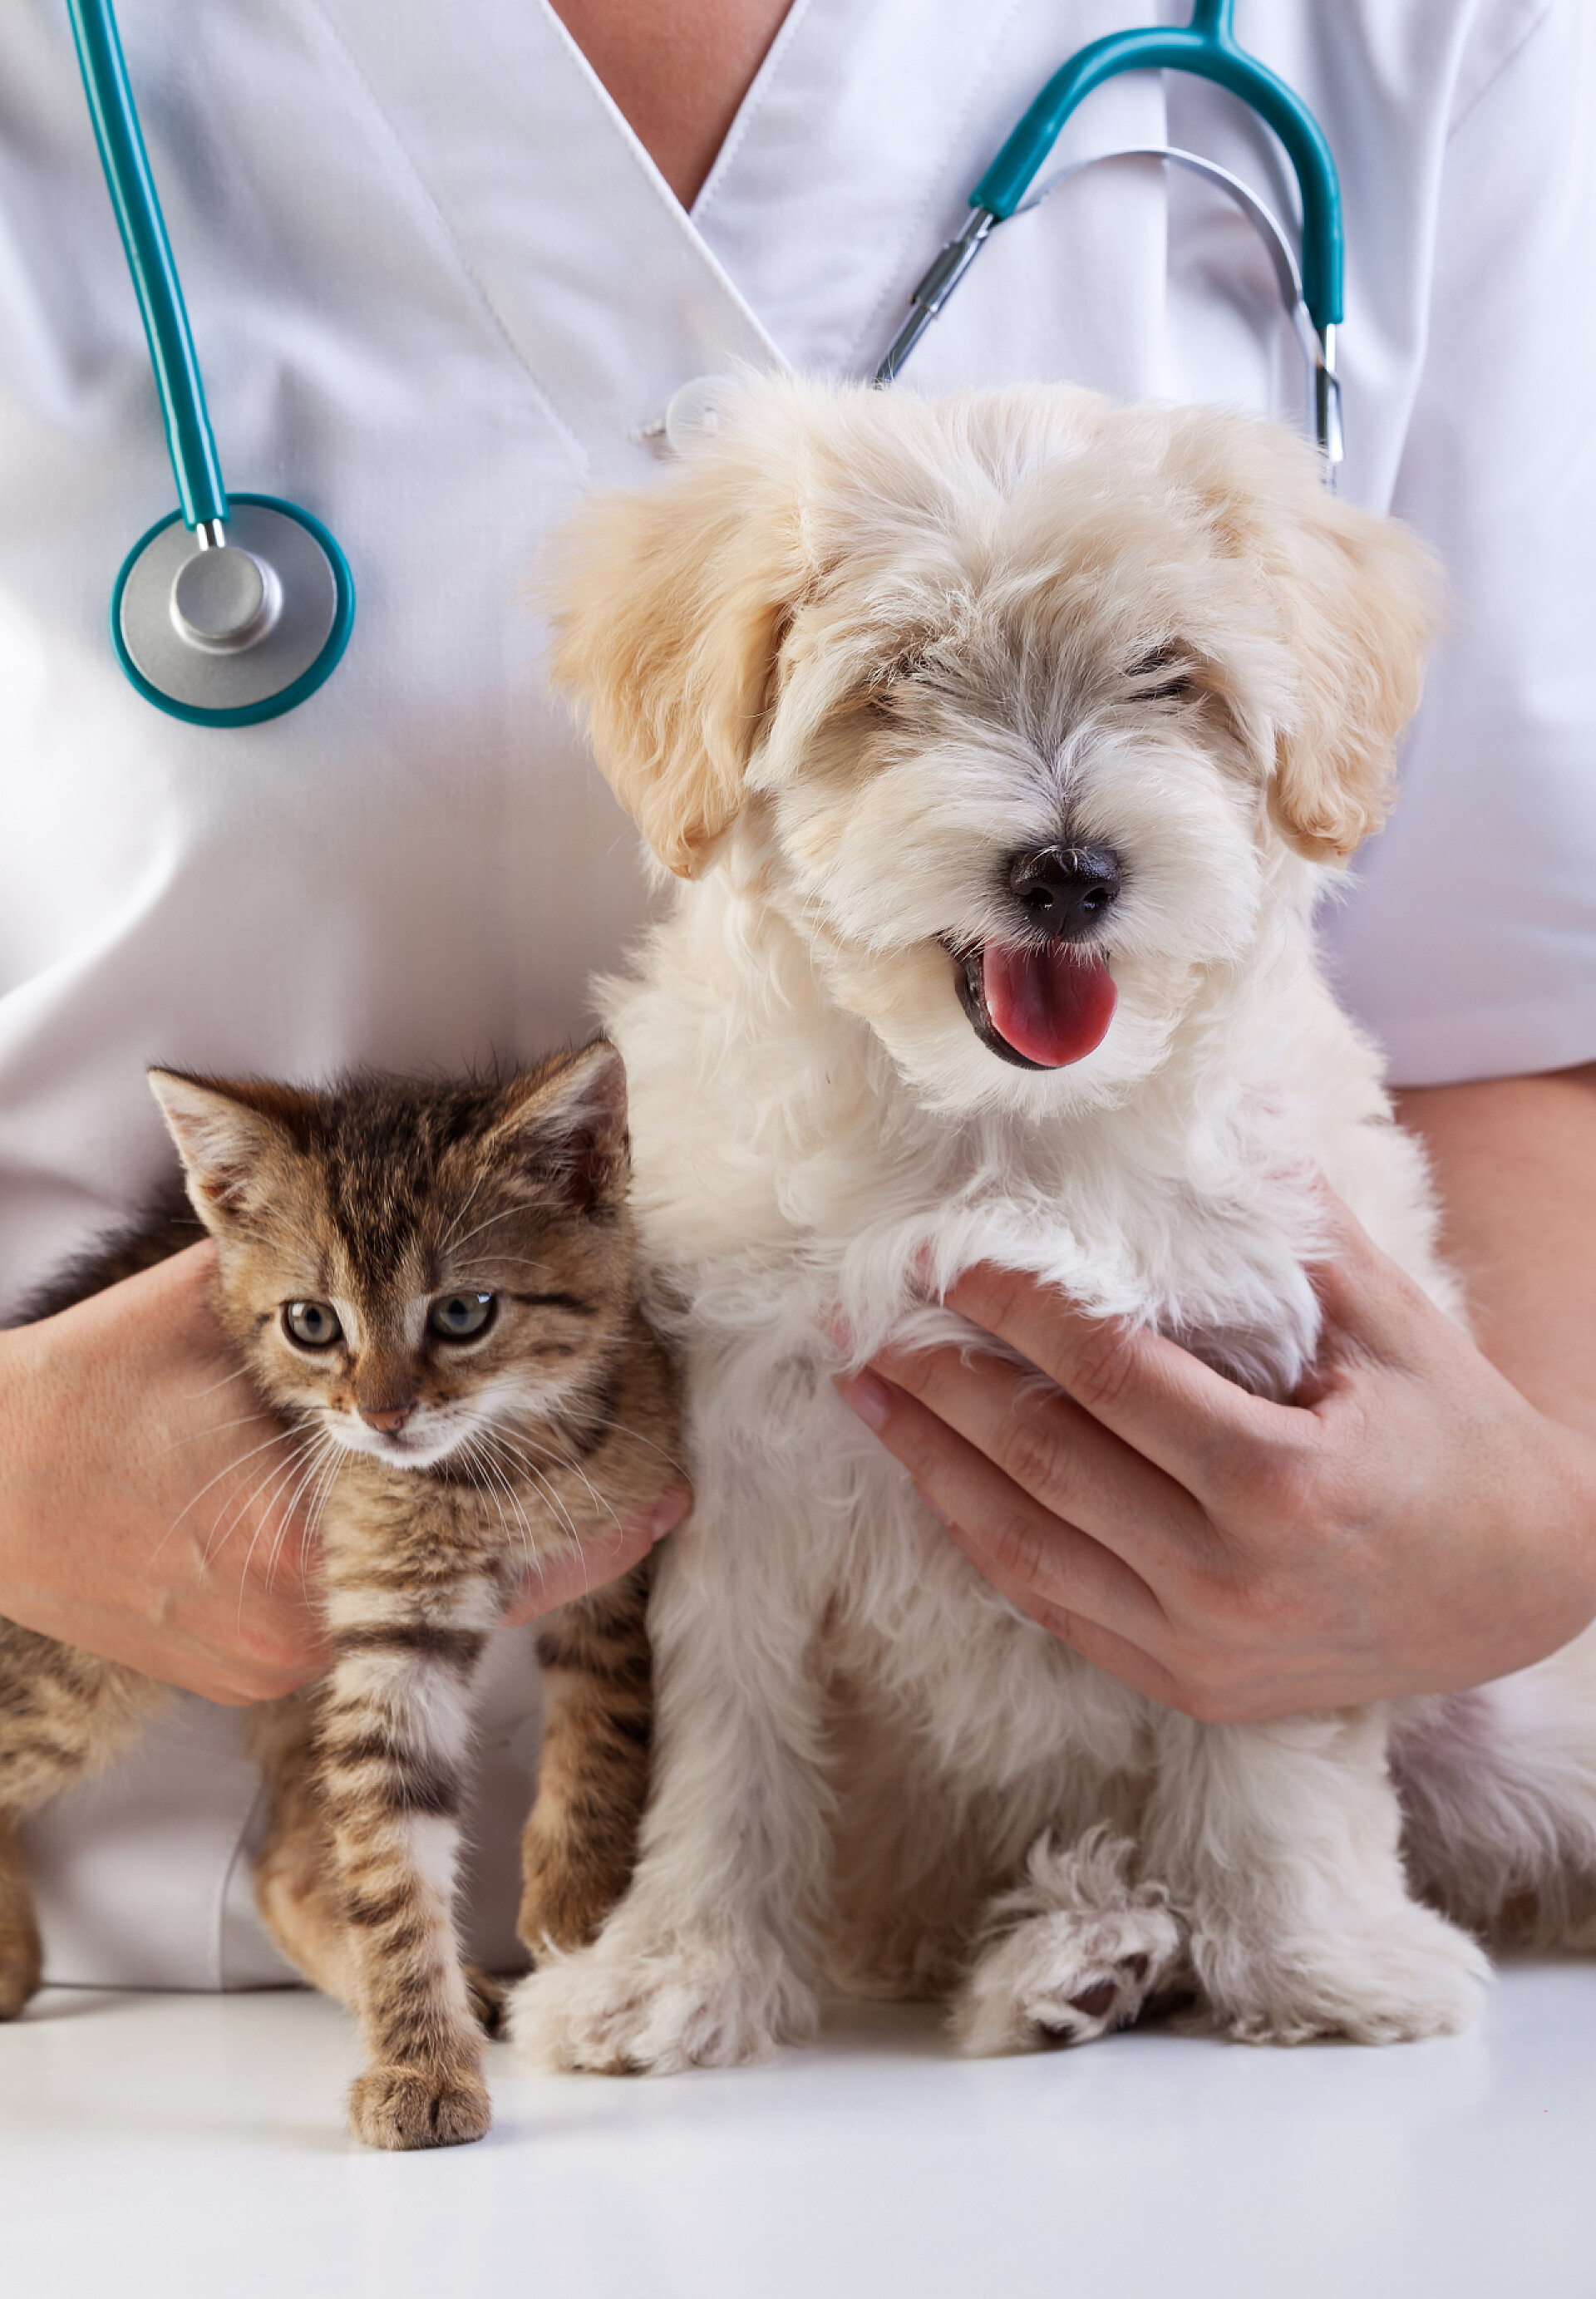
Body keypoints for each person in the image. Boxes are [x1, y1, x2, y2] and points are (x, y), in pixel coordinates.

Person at [1, 0, 1592, 1989]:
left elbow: (1514, 1006)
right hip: (148, 1988)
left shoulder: (1438, 36)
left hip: (1201, 1951)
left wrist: (1525, 1535)